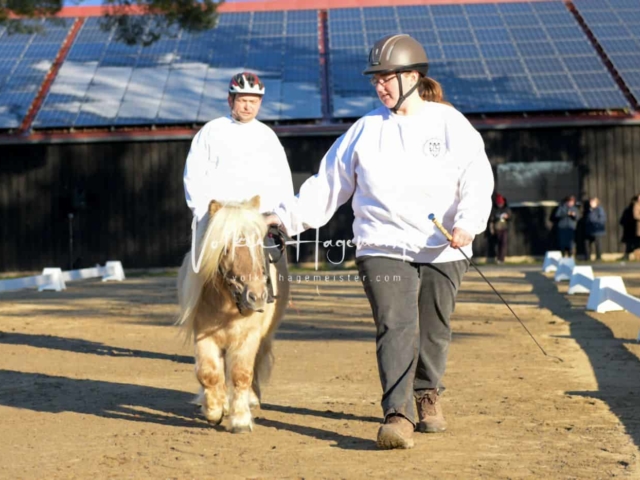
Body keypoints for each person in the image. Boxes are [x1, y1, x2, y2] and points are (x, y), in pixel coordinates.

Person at [266, 34, 494, 449]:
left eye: (387, 78)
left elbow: (476, 178)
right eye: (376, 80)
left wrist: (468, 222)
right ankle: (398, 413)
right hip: (381, 244)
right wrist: (283, 219)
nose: (380, 86)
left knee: (434, 329)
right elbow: (327, 185)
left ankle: (427, 394)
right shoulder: (365, 130)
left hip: (444, 246)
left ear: (412, 76)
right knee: (395, 325)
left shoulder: (450, 123)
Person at [183, 71, 294, 299]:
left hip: (256, 220)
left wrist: (279, 214)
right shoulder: (210, 132)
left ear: (260, 103)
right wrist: (206, 216)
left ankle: (265, 308)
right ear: (230, 100)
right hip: (220, 219)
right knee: (197, 267)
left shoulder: (267, 137)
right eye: (243, 100)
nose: (247, 107)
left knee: (274, 265)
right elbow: (194, 176)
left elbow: (282, 180)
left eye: (253, 102)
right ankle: (194, 305)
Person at [488, 193, 510, 264]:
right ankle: (497, 258)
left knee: (503, 243)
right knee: (497, 244)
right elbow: (491, 219)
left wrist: (507, 216)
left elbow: (510, 216)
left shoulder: (506, 208)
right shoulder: (494, 210)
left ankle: (501, 259)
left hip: (504, 228)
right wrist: (492, 229)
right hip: (497, 229)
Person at [583, 197, 606, 261]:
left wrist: (595, 222)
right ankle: (587, 257)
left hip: (597, 229)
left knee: (598, 244)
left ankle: (598, 257)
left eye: (592, 202)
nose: (591, 203)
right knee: (587, 243)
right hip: (589, 229)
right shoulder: (589, 210)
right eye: (590, 202)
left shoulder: (599, 209)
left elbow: (602, 219)